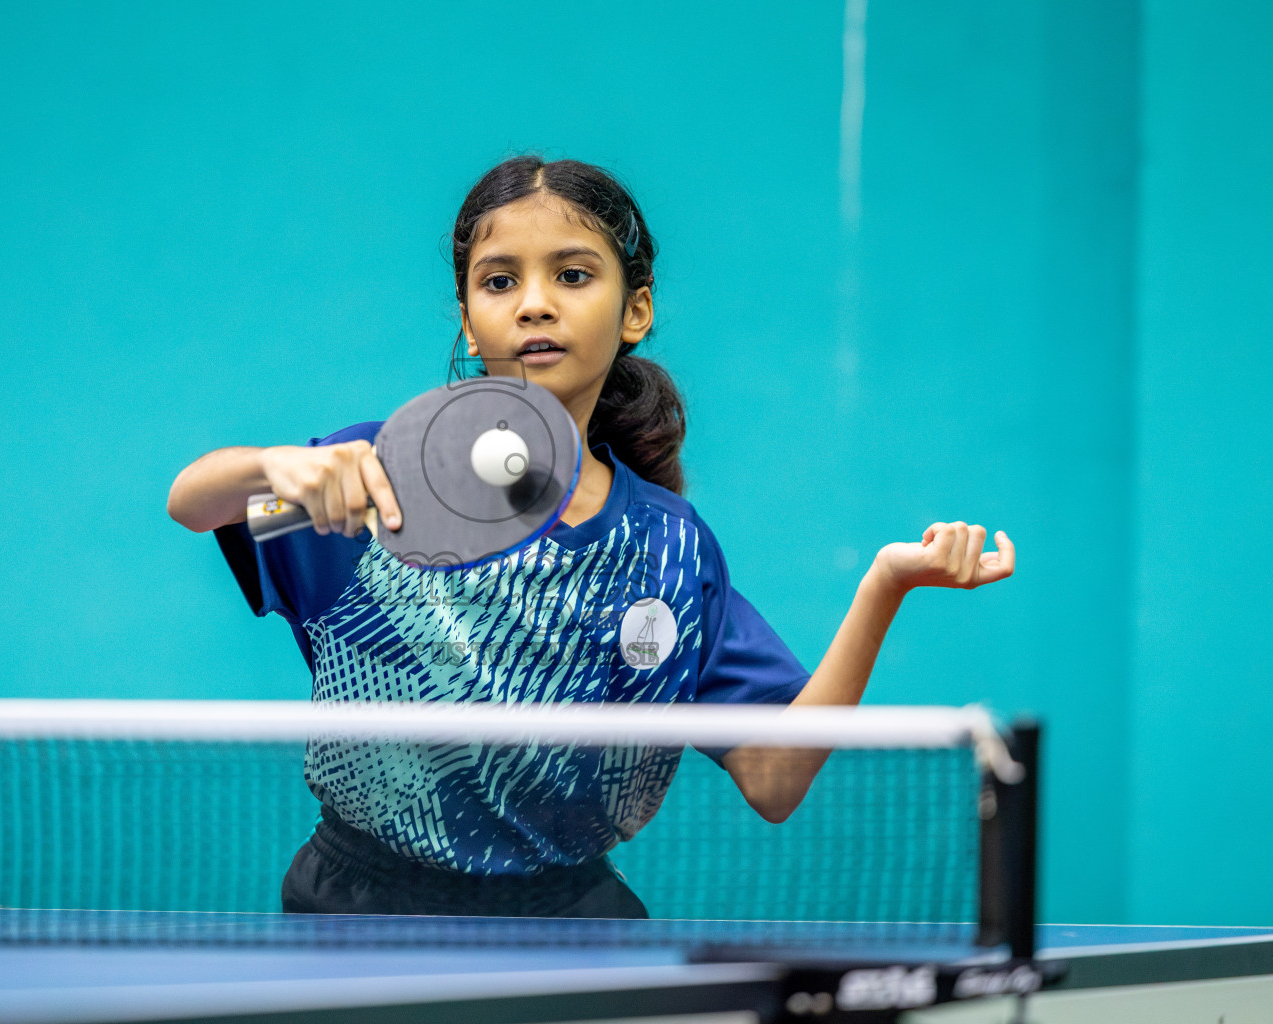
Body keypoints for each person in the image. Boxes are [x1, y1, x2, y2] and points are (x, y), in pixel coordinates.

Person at [167, 156, 1015, 918]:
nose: (535, 302)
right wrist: (271, 467)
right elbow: (193, 503)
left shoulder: (669, 549)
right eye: (499, 282)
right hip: (359, 915)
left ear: (635, 308)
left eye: (572, 274)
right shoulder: (386, 472)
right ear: (469, 320)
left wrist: (884, 586)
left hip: (563, 925)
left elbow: (774, 776)